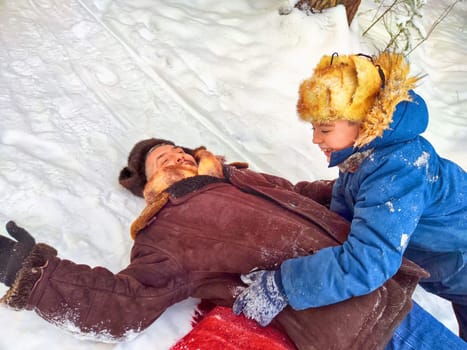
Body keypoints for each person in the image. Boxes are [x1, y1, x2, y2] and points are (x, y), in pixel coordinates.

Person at [0, 137, 432, 350]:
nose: (176, 156)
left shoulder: (240, 179)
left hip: (392, 289)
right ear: (149, 184)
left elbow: (307, 194)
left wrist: (364, 174)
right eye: (161, 160)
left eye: (177, 149)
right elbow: (123, 306)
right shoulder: (165, 232)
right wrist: (33, 275)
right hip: (360, 331)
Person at [233, 52, 467, 347]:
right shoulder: (366, 153)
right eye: (313, 127)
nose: (316, 139)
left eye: (325, 129)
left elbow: (368, 261)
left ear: (364, 121)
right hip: (444, 261)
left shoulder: (399, 167)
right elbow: (349, 215)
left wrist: (286, 285)